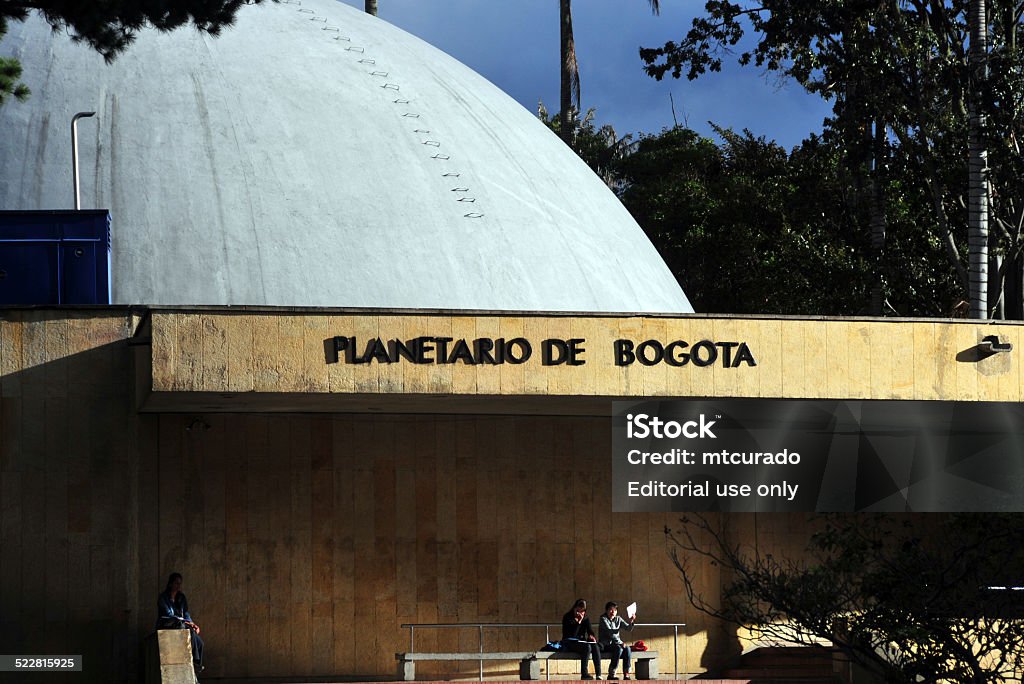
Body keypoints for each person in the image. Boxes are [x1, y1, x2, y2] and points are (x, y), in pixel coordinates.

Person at [156, 572, 204, 672]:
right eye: (176, 583)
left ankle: (197, 665)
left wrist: (193, 624)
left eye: (180, 583)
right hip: (167, 624)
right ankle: (195, 661)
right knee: (188, 630)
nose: (178, 586)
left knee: (199, 642)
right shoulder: (163, 598)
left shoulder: (181, 597)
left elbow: (186, 614)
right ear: (170, 584)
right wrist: (187, 624)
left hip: (182, 625)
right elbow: (168, 615)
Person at [561, 598, 602, 680]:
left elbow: (590, 631)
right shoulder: (567, 618)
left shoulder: (585, 618)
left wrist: (591, 636)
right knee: (587, 647)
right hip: (569, 641)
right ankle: (584, 673)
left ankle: (599, 674)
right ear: (575, 609)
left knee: (595, 646)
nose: (581, 613)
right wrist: (578, 623)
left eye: (583, 611)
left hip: (581, 641)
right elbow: (571, 635)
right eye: (579, 611)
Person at [598, 602, 636, 680]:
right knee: (619, 648)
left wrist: (631, 621)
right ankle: (611, 674)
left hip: (616, 644)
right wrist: (620, 642)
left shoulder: (618, 618)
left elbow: (628, 628)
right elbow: (610, 633)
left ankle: (626, 673)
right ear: (606, 610)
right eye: (610, 610)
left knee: (627, 649)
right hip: (606, 645)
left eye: (614, 610)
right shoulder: (603, 619)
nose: (612, 612)